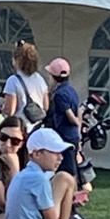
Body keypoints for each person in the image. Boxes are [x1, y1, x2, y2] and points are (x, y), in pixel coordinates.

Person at [2, 128, 110, 219]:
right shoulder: (38, 179)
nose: (60, 158)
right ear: (36, 154)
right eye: (55, 152)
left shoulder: (24, 175)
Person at [42, 58, 85, 191]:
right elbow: (79, 112)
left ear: (53, 77)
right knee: (72, 167)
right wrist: (79, 131)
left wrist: (76, 122)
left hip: (64, 136)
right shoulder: (72, 90)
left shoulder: (59, 94)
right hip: (73, 135)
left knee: (67, 169)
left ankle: (71, 193)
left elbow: (70, 116)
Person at [0, 41, 49, 122]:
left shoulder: (13, 80)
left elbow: (10, 110)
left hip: (21, 124)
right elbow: (46, 106)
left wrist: (3, 108)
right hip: (37, 125)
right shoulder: (40, 79)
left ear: (17, 60)